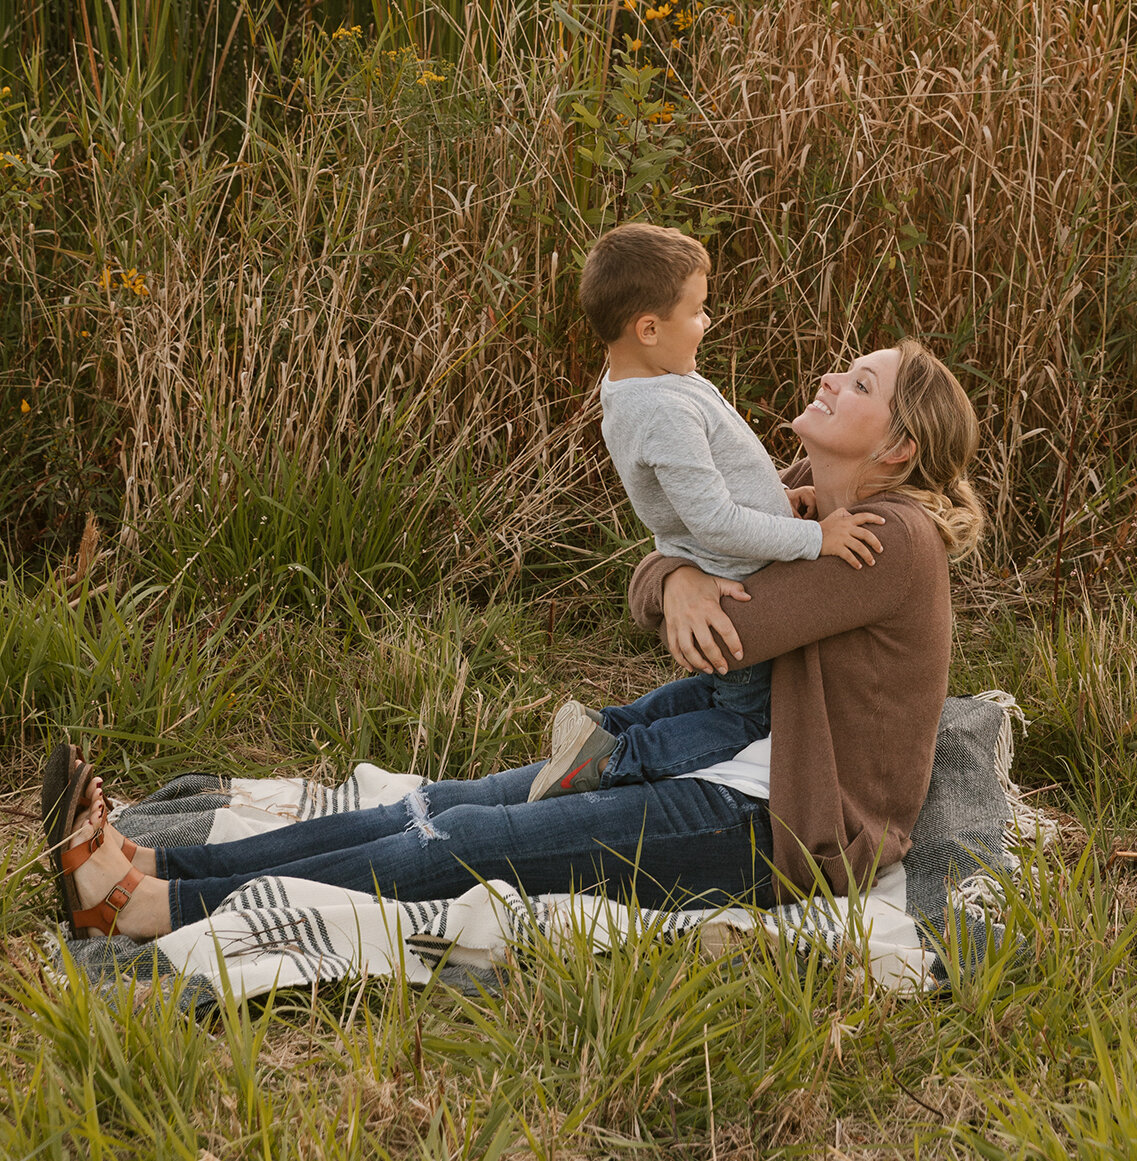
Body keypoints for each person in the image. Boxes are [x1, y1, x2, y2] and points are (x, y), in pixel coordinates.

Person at [43, 339, 983, 940]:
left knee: (468, 840)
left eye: (860, 382)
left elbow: (720, 632)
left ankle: (154, 913)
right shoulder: (806, 509)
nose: (830, 375)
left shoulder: (894, 538)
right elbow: (657, 576)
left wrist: (687, 578)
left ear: (896, 448)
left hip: (772, 827)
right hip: (714, 761)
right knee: (436, 799)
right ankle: (152, 864)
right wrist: (680, 574)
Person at [527, 222, 885, 803]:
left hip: (727, 565)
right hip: (739, 589)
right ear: (648, 328)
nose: (707, 321)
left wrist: (777, 499)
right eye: (697, 311)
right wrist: (816, 538)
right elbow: (715, 520)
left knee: (719, 700)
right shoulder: (662, 408)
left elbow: (711, 483)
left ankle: (601, 730)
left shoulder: (643, 381)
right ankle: (614, 759)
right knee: (743, 722)